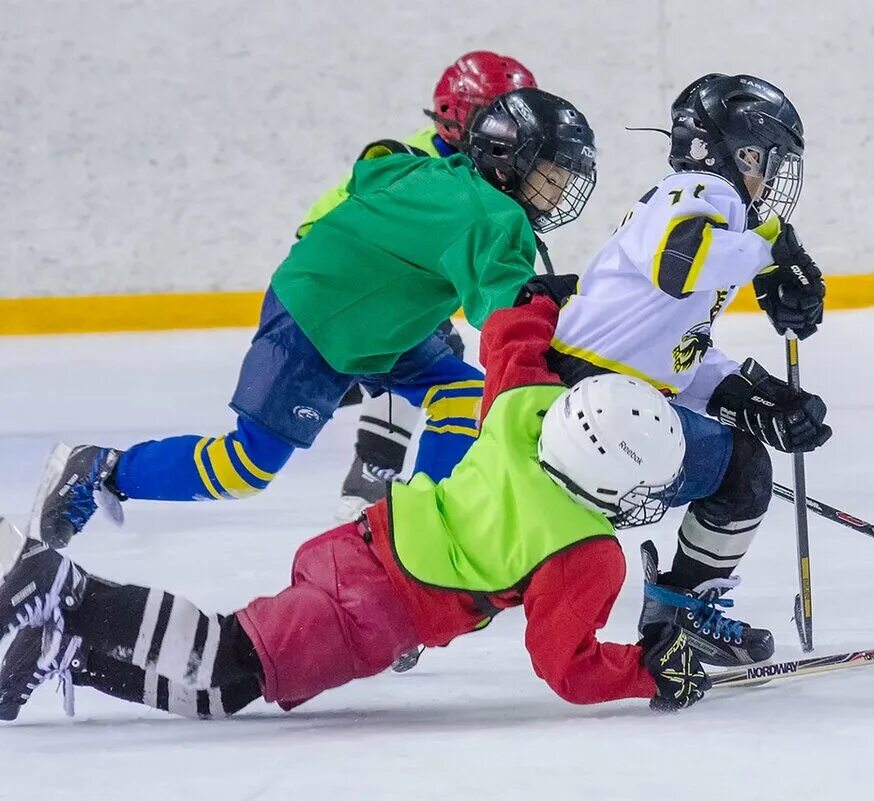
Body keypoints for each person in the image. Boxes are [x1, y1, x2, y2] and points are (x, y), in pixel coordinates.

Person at [0, 294, 711, 720]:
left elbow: (509, 342)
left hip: (358, 543)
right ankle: (65, 590)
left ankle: (68, 647)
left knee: (230, 687)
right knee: (227, 656)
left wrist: (543, 302)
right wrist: (651, 667)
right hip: (376, 609)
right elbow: (567, 665)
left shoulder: (525, 413)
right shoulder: (588, 551)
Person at [27, 86, 597, 553]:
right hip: (322, 322)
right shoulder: (492, 217)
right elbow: (510, 325)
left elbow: (373, 171)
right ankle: (100, 470)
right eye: (550, 174)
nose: (559, 190)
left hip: (371, 318)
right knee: (243, 469)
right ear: (508, 159)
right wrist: (580, 355)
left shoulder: (446, 176)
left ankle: (416, 532)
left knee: (461, 394)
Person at [542, 73, 831, 668]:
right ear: (730, 150)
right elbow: (681, 261)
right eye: (761, 159)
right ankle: (678, 612)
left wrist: (754, 396)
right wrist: (773, 247)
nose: (767, 179)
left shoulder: (696, 208)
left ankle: (676, 614)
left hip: (590, 394)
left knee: (740, 462)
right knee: (741, 471)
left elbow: (674, 349)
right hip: (591, 401)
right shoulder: (701, 190)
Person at [294, 51, 540, 518]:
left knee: (435, 349)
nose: (513, 130)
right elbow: (324, 234)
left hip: (381, 295)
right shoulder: (414, 164)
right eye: (499, 116)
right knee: (431, 349)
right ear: (457, 116)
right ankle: (374, 470)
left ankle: (370, 443)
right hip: (344, 298)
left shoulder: (485, 169)